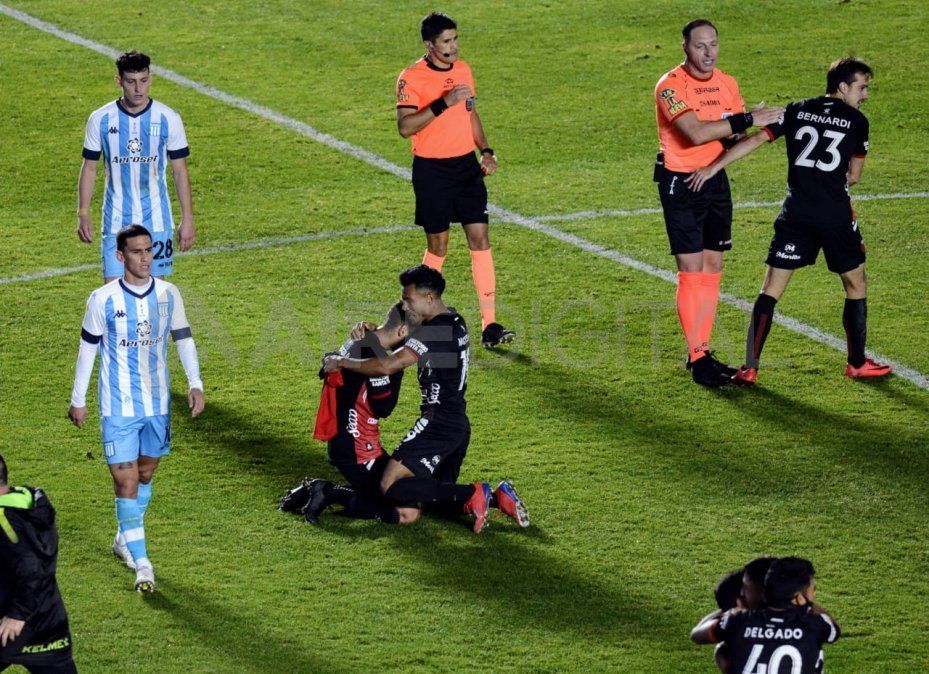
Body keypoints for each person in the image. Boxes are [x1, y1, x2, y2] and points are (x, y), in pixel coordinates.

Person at [686, 57, 891, 384]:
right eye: (862, 88)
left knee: (770, 289)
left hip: (796, 214)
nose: (865, 95)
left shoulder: (796, 109)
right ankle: (856, 363)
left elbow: (755, 139)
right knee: (856, 284)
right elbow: (854, 175)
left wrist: (713, 168)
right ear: (842, 87)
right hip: (835, 216)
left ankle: (750, 367)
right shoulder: (857, 121)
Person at [323, 265, 529, 532]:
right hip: (456, 425)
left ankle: (476, 492)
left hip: (437, 424)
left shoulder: (434, 332)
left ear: (429, 297)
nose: (405, 306)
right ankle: (499, 498)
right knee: (433, 498)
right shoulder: (453, 320)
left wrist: (341, 361)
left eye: (408, 300)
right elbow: (406, 335)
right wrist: (375, 334)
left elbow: (389, 366)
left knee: (390, 486)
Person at [68, 224, 205, 592]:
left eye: (149, 250)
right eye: (137, 252)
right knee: (125, 482)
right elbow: (87, 350)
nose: (146, 258)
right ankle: (143, 563)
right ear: (120, 256)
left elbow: (183, 339)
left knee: (145, 474)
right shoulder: (102, 299)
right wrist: (78, 399)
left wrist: (195, 383)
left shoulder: (169, 294)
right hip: (118, 407)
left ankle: (123, 537)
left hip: (157, 404)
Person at [654, 19, 784, 386]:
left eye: (713, 44)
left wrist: (748, 127)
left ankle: (701, 350)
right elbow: (695, 133)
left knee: (713, 266)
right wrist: (746, 119)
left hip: (714, 179)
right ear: (685, 48)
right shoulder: (669, 87)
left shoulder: (727, 83)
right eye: (700, 46)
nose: (708, 52)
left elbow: (731, 136)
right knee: (691, 268)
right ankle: (698, 359)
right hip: (682, 182)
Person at [396, 13, 515, 349]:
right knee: (439, 247)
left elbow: (470, 113)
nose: (453, 46)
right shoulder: (411, 77)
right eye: (446, 41)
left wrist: (486, 151)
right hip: (432, 171)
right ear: (429, 45)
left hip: (466, 168)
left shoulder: (463, 70)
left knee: (480, 238)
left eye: (455, 39)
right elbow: (405, 127)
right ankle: (417, 317)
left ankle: (490, 324)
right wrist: (443, 103)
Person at [279, 303, 420, 525]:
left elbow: (328, 365)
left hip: (348, 442)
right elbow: (384, 407)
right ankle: (326, 491)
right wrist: (396, 367)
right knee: (408, 510)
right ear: (402, 331)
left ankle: (311, 492)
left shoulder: (359, 339)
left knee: (408, 485)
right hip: (358, 450)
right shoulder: (377, 358)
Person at [77, 50, 195, 281]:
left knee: (155, 292)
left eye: (143, 80)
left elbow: (180, 171)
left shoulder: (168, 118)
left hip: (157, 219)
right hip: (116, 220)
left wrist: (188, 218)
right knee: (114, 291)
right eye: (131, 82)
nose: (138, 89)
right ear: (119, 81)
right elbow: (89, 168)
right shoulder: (100, 119)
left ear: (150, 79)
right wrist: (83, 213)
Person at [692, 557, 841, 673]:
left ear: (764, 593)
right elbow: (834, 629)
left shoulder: (738, 622)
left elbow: (697, 634)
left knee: (722, 649)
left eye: (745, 587)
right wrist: (805, 604)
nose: (742, 593)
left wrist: (729, 612)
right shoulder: (815, 624)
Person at [0, 454, 77, 673]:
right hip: (47, 619)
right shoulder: (30, 500)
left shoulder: (5, 521)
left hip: (14, 621)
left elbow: (31, 567)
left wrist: (18, 614)